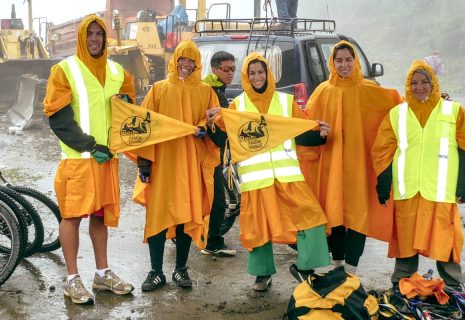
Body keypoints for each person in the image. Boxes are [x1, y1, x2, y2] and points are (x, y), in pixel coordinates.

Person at [208, 52, 331, 291]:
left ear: (268, 73)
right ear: (246, 76)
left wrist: (320, 135)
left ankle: (305, 267)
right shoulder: (238, 106)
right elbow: (224, 139)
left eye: (261, 72)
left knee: (312, 219)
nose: (257, 77)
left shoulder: (286, 102)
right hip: (256, 181)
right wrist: (212, 124)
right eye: (252, 73)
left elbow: (300, 132)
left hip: (288, 177)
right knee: (258, 229)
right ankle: (262, 274)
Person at [43, 14, 136, 305]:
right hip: (79, 159)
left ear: (105, 38)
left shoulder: (118, 72)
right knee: (71, 217)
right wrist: (89, 144)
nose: (95, 39)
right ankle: (72, 279)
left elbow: (128, 111)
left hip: (106, 159)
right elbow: (58, 119)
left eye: (99, 34)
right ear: (82, 38)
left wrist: (128, 108)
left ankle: (102, 273)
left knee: (100, 217)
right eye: (90, 34)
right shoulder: (65, 70)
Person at [371, 59, 465, 291]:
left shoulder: (454, 111)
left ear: (434, 84)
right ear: (408, 86)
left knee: (446, 238)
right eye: (414, 83)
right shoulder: (397, 114)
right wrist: (383, 183)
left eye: (424, 82)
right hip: (408, 190)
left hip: (441, 192)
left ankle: (452, 284)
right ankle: (400, 283)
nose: (419, 87)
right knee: (405, 239)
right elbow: (383, 151)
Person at [298, 40, 402, 275]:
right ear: (332, 63)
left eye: (348, 60)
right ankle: (338, 267)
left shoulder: (369, 89)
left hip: (359, 166)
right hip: (330, 165)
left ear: (355, 62)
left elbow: (399, 107)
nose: (344, 65)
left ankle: (351, 271)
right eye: (339, 60)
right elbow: (305, 123)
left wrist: (432, 101)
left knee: (357, 214)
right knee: (334, 212)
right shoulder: (323, 91)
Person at [134, 40, 220, 292]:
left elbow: (216, 120)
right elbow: (144, 128)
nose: (186, 64)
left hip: (192, 164)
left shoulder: (206, 91)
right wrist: (144, 164)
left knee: (186, 214)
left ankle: (180, 269)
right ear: (175, 61)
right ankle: (156, 271)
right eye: (181, 59)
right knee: (158, 216)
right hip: (163, 164)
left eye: (191, 60)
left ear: (197, 63)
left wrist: (204, 128)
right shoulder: (158, 89)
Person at [201, 51, 238, 257]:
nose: (231, 73)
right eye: (226, 69)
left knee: (209, 198)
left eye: (233, 68)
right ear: (214, 69)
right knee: (218, 201)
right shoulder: (212, 91)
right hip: (210, 153)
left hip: (213, 153)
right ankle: (213, 242)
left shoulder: (217, 89)